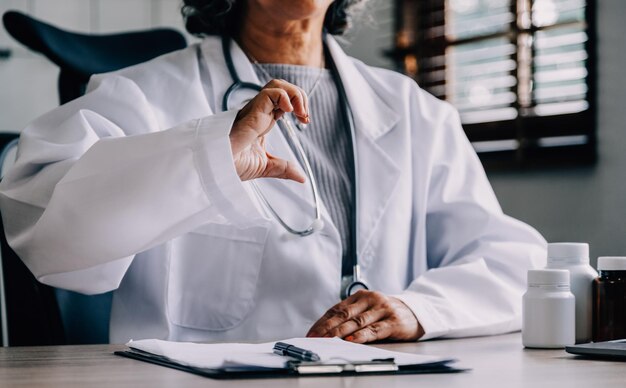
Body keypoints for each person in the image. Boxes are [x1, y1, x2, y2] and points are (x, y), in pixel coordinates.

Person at [0, 0, 546, 344]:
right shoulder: (143, 93)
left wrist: (418, 308)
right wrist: (207, 159)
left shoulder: (413, 109)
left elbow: (512, 261)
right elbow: (46, 232)